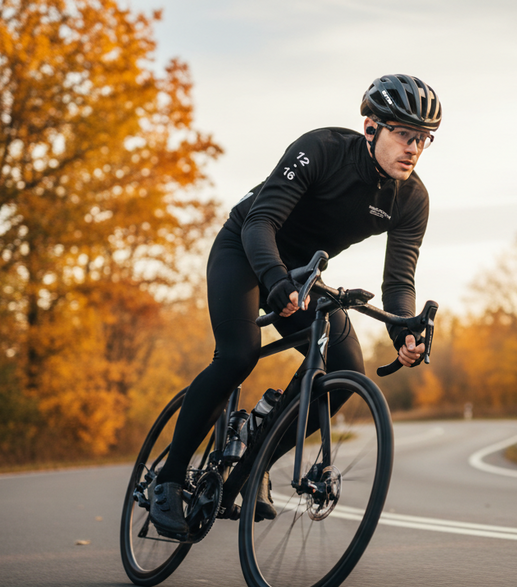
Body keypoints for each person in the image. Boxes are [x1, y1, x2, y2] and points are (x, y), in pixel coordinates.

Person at [148, 74, 442, 538]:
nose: (414, 148)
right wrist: (276, 281)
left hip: (303, 274)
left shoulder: (412, 200)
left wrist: (404, 328)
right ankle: (166, 482)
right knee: (238, 355)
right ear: (371, 128)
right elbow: (260, 221)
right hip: (246, 250)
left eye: (424, 140)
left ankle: (257, 456)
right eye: (405, 135)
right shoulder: (321, 149)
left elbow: (398, 282)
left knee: (346, 373)